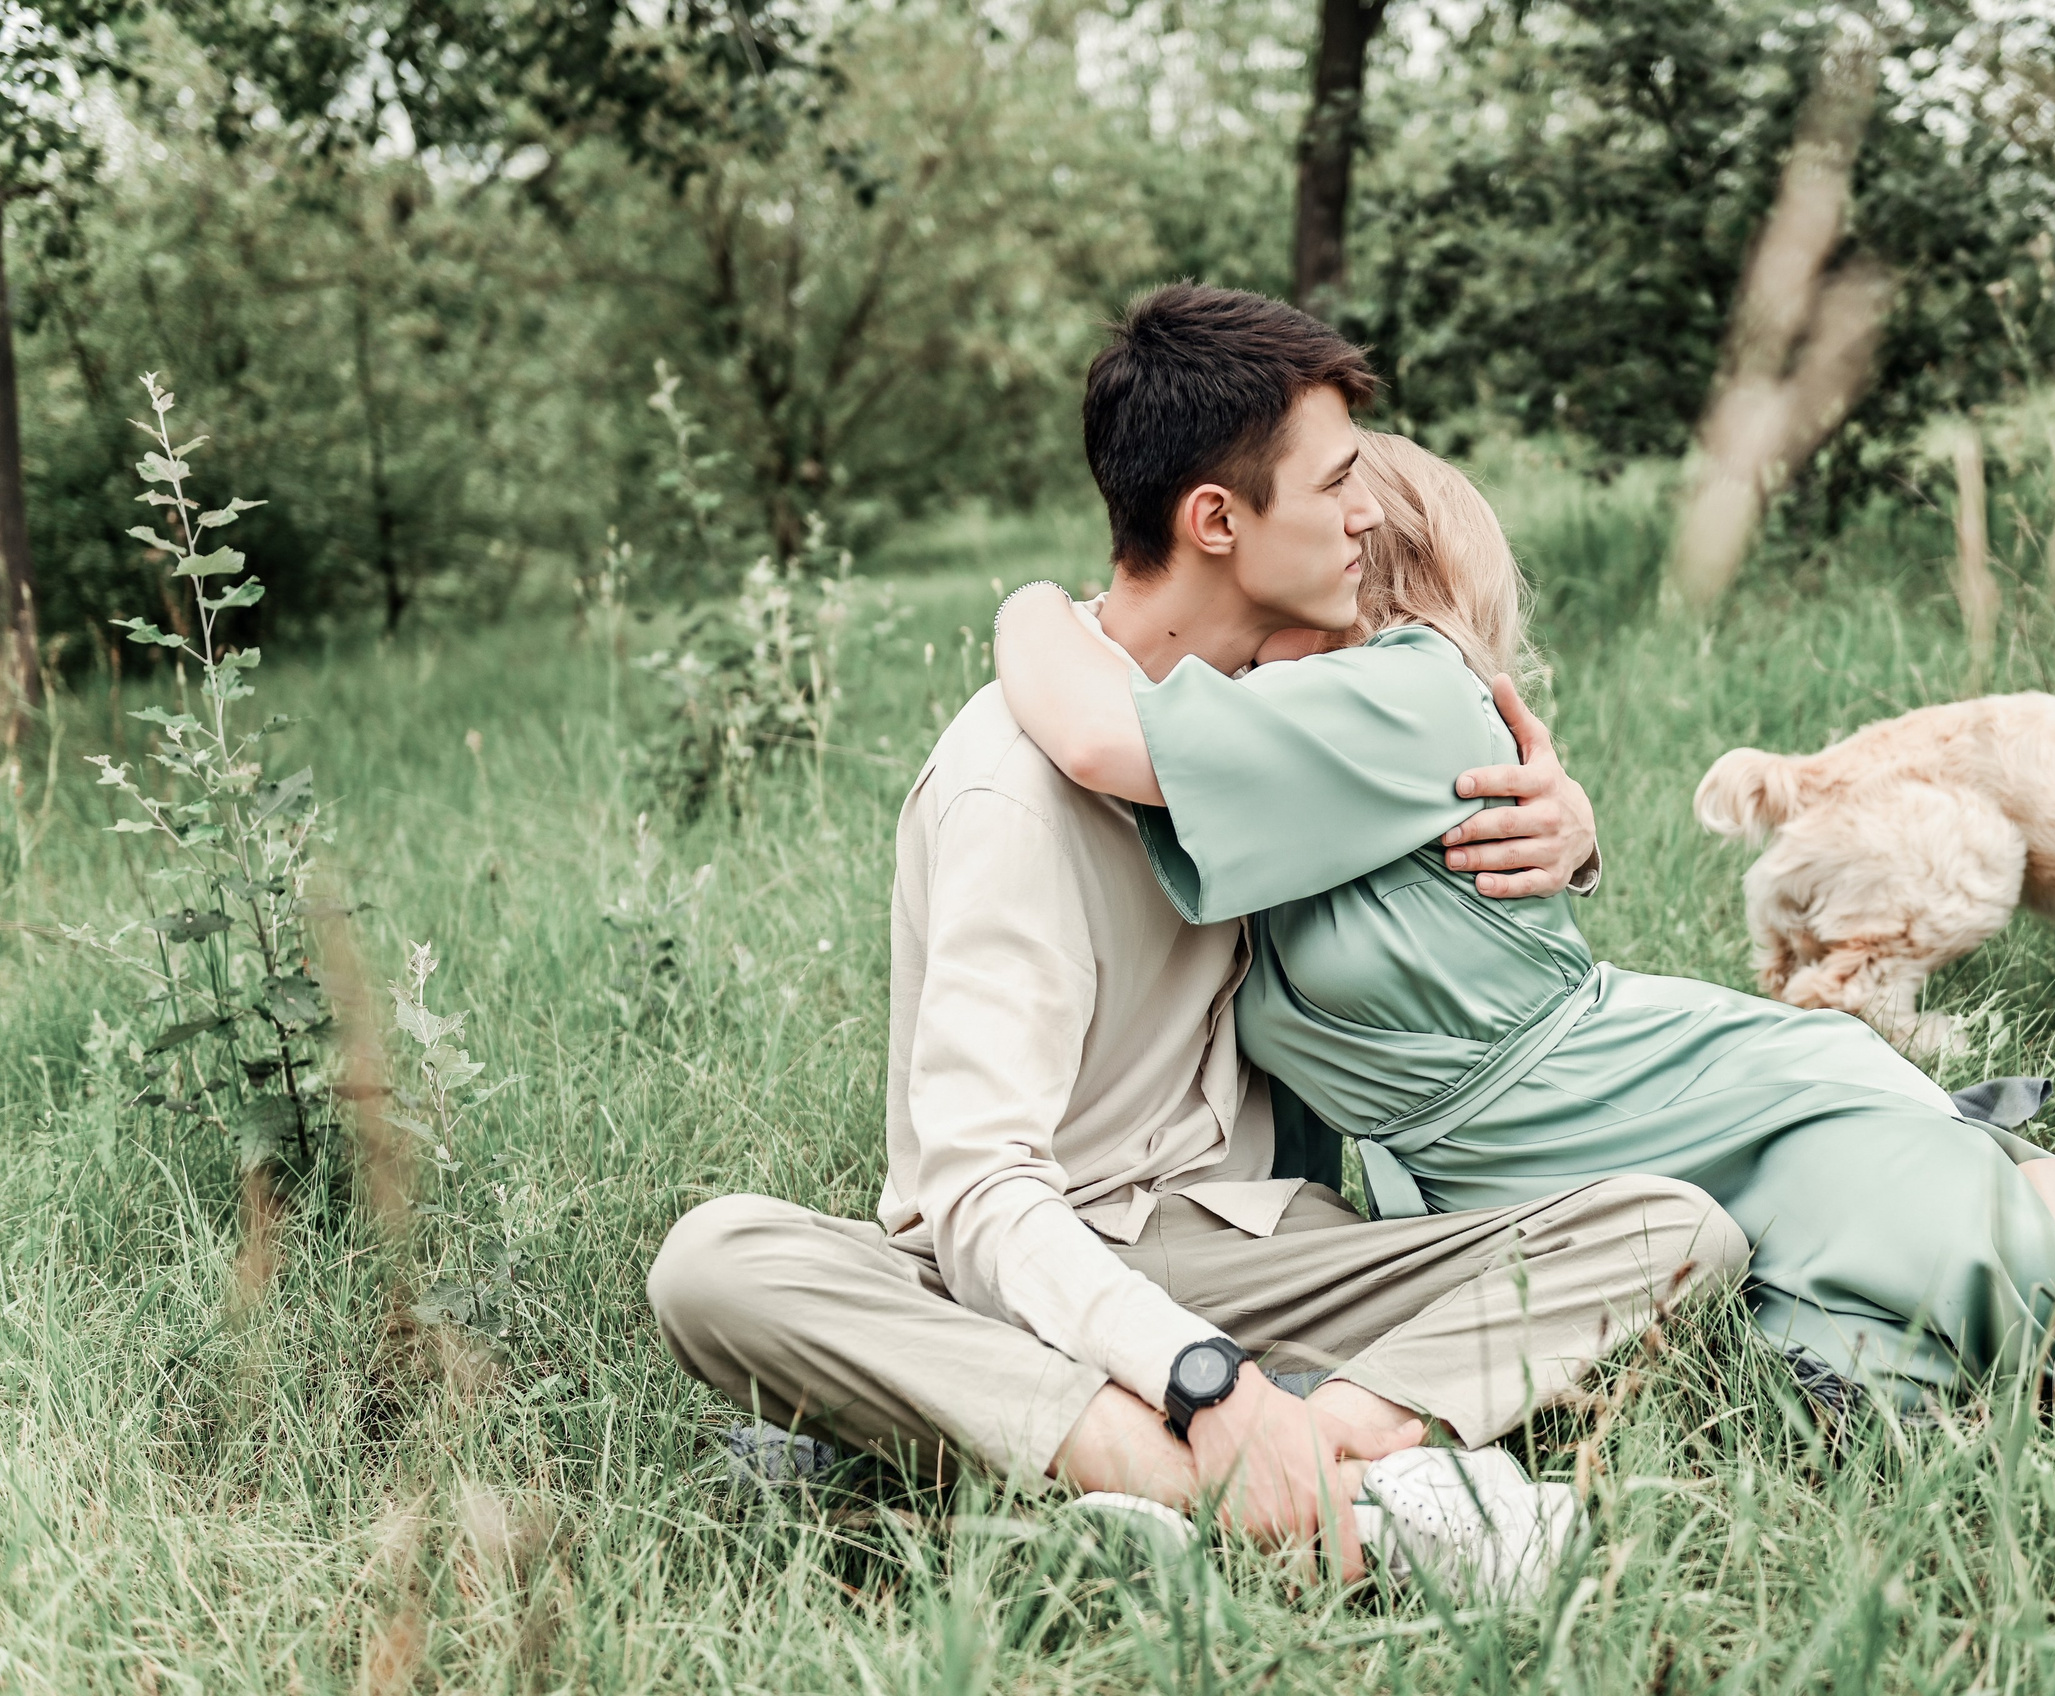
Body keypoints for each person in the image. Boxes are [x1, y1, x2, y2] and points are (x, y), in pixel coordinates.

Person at [992, 427, 2055, 1412]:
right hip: (1564, 1144)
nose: (1319, 527)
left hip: (1636, 1097)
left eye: (1341, 503)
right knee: (1967, 1275)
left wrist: (1035, 605)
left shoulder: (1385, 694)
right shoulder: (1301, 745)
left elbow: (1097, 729)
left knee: (2008, 1236)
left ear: (1371, 556)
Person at [647, 285, 1748, 1589]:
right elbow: (982, 1188)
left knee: (1677, 1229)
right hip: (1060, 1256)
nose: (1370, 515)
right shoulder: (1015, 783)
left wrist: (1567, 827)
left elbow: (1457, 869)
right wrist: (1190, 1373)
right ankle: (1333, 1503)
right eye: (1338, 484)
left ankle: (1135, 1478)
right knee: (717, 1263)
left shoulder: (1285, 717)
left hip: (1265, 1242)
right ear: (1217, 520)